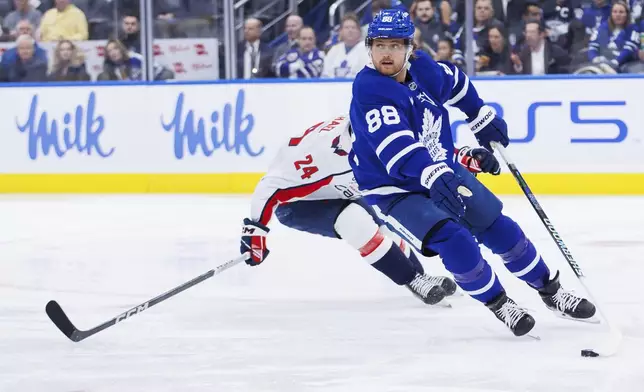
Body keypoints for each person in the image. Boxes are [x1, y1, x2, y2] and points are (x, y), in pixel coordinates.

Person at [348, 9, 596, 337]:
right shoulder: (370, 89)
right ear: (369, 47)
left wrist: (478, 114)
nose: (386, 53)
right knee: (455, 240)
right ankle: (500, 304)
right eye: (380, 45)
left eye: (395, 45)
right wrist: (435, 173)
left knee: (498, 226)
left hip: (439, 168)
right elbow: (395, 147)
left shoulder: (423, 69)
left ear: (410, 47)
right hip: (396, 187)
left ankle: (551, 291)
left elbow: (456, 84)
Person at [237, 116, 517, 305]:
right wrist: (255, 231)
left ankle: (417, 275)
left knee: (386, 220)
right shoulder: (318, 157)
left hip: (346, 191)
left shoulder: (378, 128)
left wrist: (463, 156)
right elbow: (270, 187)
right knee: (354, 221)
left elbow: (421, 149)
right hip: (299, 205)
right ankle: (413, 279)